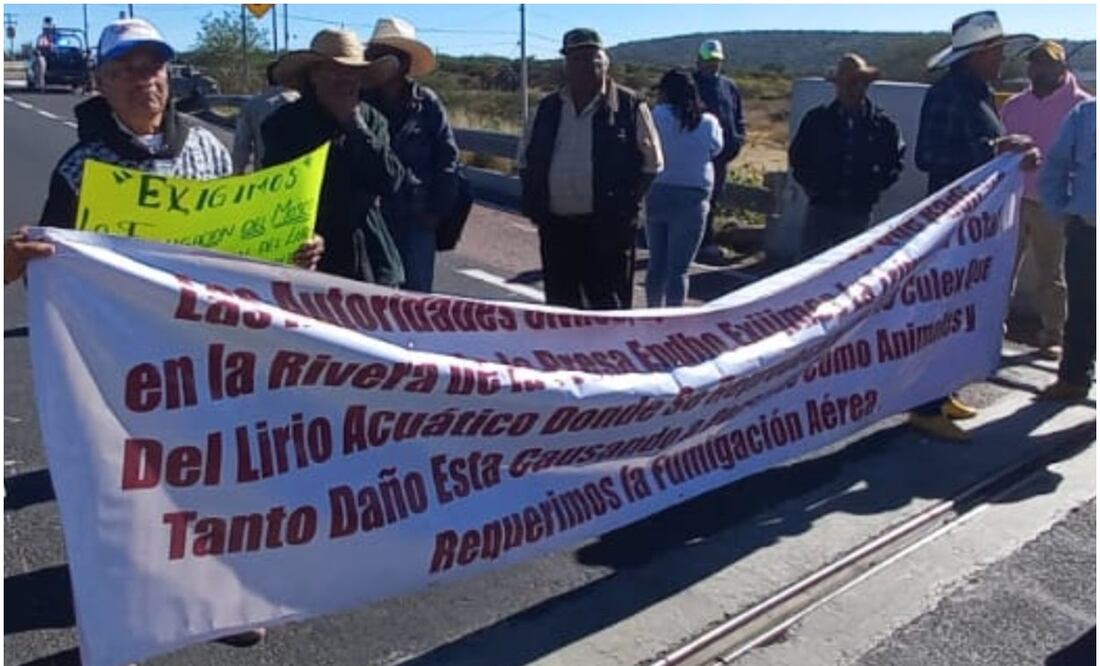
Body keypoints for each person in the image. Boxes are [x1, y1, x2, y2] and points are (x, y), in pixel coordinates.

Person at [911, 10, 1041, 441]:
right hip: (950, 225)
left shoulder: (980, 93)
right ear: (976, 55)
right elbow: (929, 156)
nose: (1002, 58)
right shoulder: (949, 94)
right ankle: (924, 405)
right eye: (996, 51)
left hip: (971, 226)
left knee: (955, 313)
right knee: (937, 312)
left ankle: (942, 392)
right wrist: (995, 151)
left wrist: (1010, 157)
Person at [518, 28, 663, 310]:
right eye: (576, 59)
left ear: (605, 64)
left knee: (608, 308)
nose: (585, 66)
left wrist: (625, 207)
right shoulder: (547, 108)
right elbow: (525, 160)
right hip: (557, 227)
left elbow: (652, 163)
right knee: (561, 308)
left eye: (592, 59)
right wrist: (536, 204)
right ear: (566, 65)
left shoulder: (629, 105)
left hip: (608, 230)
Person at [263, 28, 406, 286]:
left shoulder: (372, 120)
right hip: (310, 258)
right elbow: (275, 195)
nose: (345, 79)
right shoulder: (283, 124)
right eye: (335, 70)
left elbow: (390, 180)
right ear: (313, 75)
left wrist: (354, 123)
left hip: (371, 259)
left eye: (352, 72)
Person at [999, 40, 1093, 360]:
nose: (1039, 68)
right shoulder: (1013, 105)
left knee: (1051, 275)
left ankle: (1053, 334)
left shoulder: (1083, 106)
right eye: (1035, 62)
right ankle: (993, 329)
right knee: (1001, 269)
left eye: (1047, 63)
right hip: (1011, 200)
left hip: (1054, 206)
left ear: (1061, 67)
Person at [363, 17, 461, 293]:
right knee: (372, 296)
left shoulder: (426, 103)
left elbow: (447, 158)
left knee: (415, 299)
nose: (383, 63)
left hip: (416, 215)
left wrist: (437, 211)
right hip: (369, 218)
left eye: (390, 56)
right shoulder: (359, 101)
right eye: (378, 55)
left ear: (405, 63)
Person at [789, 53, 904, 258]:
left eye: (862, 82)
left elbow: (895, 160)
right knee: (809, 269)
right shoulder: (817, 120)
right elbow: (799, 158)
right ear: (838, 85)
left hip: (858, 211)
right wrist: (814, 188)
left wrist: (873, 188)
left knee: (849, 270)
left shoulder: (883, 125)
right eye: (850, 82)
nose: (856, 88)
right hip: (821, 209)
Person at [645, 69, 722, 307]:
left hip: (657, 190)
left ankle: (651, 313)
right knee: (679, 269)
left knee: (656, 263)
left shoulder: (655, 115)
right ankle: (672, 318)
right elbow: (716, 149)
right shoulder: (708, 122)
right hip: (693, 196)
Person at [1037, 99, 1095, 401]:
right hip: (1088, 230)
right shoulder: (1086, 115)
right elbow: (1055, 168)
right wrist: (1062, 212)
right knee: (1083, 307)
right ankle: (1074, 378)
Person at [692, 38, 745, 264]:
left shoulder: (729, 86)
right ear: (699, 60)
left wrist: (738, 139)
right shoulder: (691, 84)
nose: (713, 65)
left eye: (716, 61)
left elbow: (737, 116)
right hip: (696, 156)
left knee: (713, 200)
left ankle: (706, 241)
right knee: (694, 200)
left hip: (722, 156)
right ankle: (691, 243)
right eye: (708, 60)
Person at [232, 62, 300, 174]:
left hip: (266, 176)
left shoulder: (253, 105)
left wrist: (238, 172)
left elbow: (241, 145)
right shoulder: (304, 101)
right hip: (301, 174)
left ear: (268, 79)